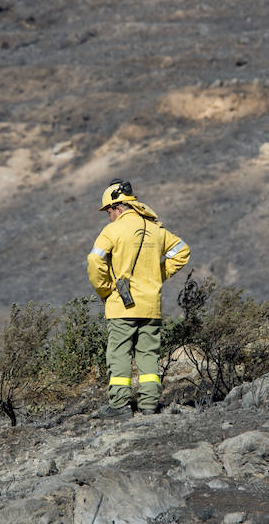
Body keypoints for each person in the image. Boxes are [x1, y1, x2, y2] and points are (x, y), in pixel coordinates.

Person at [87, 179, 190, 418]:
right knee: (148, 355)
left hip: (121, 305)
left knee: (119, 353)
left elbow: (94, 261)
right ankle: (149, 405)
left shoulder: (112, 231)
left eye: (109, 211)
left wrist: (105, 290)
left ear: (118, 207)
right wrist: (157, 275)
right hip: (150, 305)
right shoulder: (156, 229)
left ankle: (120, 405)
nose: (108, 216)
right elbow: (182, 250)